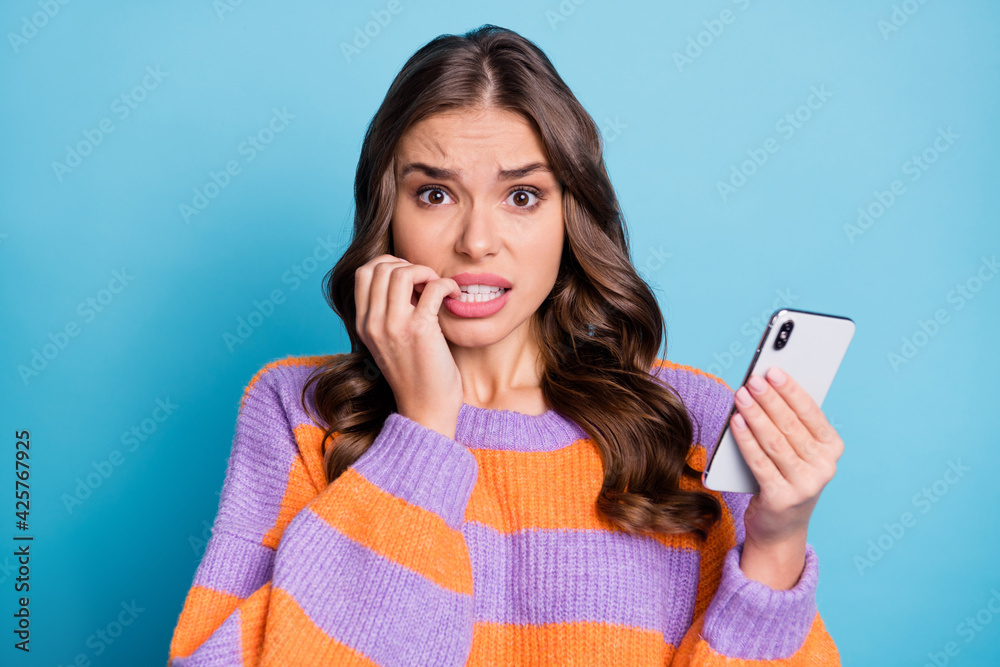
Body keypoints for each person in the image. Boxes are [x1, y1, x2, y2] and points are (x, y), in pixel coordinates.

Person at [167, 24, 842, 666]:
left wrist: (777, 545)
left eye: (522, 195)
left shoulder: (684, 423)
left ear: (571, 216)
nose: (477, 241)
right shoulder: (301, 412)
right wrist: (422, 433)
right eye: (435, 193)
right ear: (387, 215)